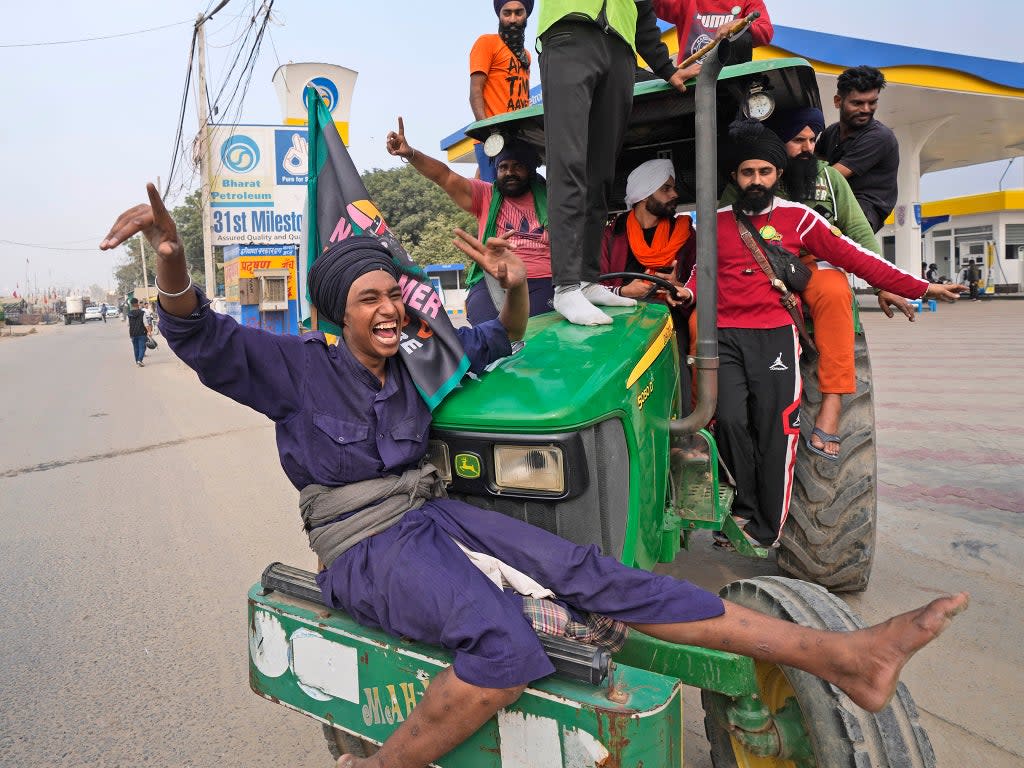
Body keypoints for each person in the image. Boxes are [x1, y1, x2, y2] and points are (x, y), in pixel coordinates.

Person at [101, 183, 968, 768]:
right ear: (336, 319)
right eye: (369, 299)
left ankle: (845, 656)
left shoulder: (417, 363)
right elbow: (198, 335)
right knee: (506, 648)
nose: (390, 307)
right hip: (364, 547)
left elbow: (504, 337)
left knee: (603, 577)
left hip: (433, 522)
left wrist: (516, 287)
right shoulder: (292, 369)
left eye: (394, 295)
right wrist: (172, 258)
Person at [676, 119, 962, 547]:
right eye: (747, 172)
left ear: (778, 174)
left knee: (777, 428)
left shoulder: (800, 219)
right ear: (734, 177)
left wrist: (920, 286)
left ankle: (767, 527)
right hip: (727, 336)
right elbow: (702, 275)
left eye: (765, 172)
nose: (756, 180)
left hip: (773, 335)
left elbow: (859, 258)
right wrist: (685, 293)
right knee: (730, 420)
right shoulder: (713, 223)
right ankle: (744, 508)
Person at [721, 107, 923, 460]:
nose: (808, 147)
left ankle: (832, 404)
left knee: (834, 290)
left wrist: (883, 285)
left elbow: (858, 233)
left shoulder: (829, 179)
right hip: (754, 272)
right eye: (798, 140)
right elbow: (721, 231)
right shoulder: (746, 177)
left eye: (813, 139)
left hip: (809, 268)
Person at [537, 0, 700, 326]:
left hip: (621, 52)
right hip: (571, 33)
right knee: (569, 163)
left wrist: (666, 68)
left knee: (600, 173)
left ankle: (586, 280)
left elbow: (644, 12)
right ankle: (566, 286)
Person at [386, 118, 553, 325]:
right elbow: (444, 176)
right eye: (503, 166)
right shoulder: (485, 195)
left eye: (518, 166)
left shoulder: (552, 198)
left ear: (530, 170)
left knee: (539, 337)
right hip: (493, 278)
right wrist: (410, 153)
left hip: (541, 278)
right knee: (488, 335)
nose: (509, 172)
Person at [599, 158, 695, 400]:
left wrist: (679, 286)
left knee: (678, 370)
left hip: (669, 317)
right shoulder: (612, 234)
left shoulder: (685, 233)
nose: (675, 194)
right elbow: (593, 286)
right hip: (619, 319)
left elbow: (700, 280)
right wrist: (623, 292)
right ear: (643, 196)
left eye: (673, 188)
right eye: (666, 189)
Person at [817, 65, 899, 234]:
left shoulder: (879, 137)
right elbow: (813, 166)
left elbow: (830, 177)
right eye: (857, 103)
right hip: (834, 204)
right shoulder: (831, 132)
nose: (866, 109)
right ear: (838, 101)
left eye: (872, 102)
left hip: (864, 211)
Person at [470, 1, 534, 182]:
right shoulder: (487, 43)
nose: (513, 19)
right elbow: (475, 90)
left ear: (526, 15)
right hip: (493, 137)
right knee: (495, 200)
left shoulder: (526, 56)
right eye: (507, 13)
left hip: (519, 139)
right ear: (499, 15)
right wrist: (487, 136)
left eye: (518, 13)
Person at [652, 0, 773, 65]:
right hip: (692, 77)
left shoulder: (748, 1)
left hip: (732, 76)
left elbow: (766, 31)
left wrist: (741, 23)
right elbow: (652, 3)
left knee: (744, 36)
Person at [126, 298, 148, 367]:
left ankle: (137, 361)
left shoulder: (129, 314)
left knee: (136, 348)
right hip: (142, 332)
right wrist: (149, 332)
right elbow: (146, 323)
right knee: (142, 347)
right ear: (137, 303)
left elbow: (128, 324)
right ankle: (139, 360)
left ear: (132, 305)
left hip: (133, 333)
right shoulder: (142, 313)